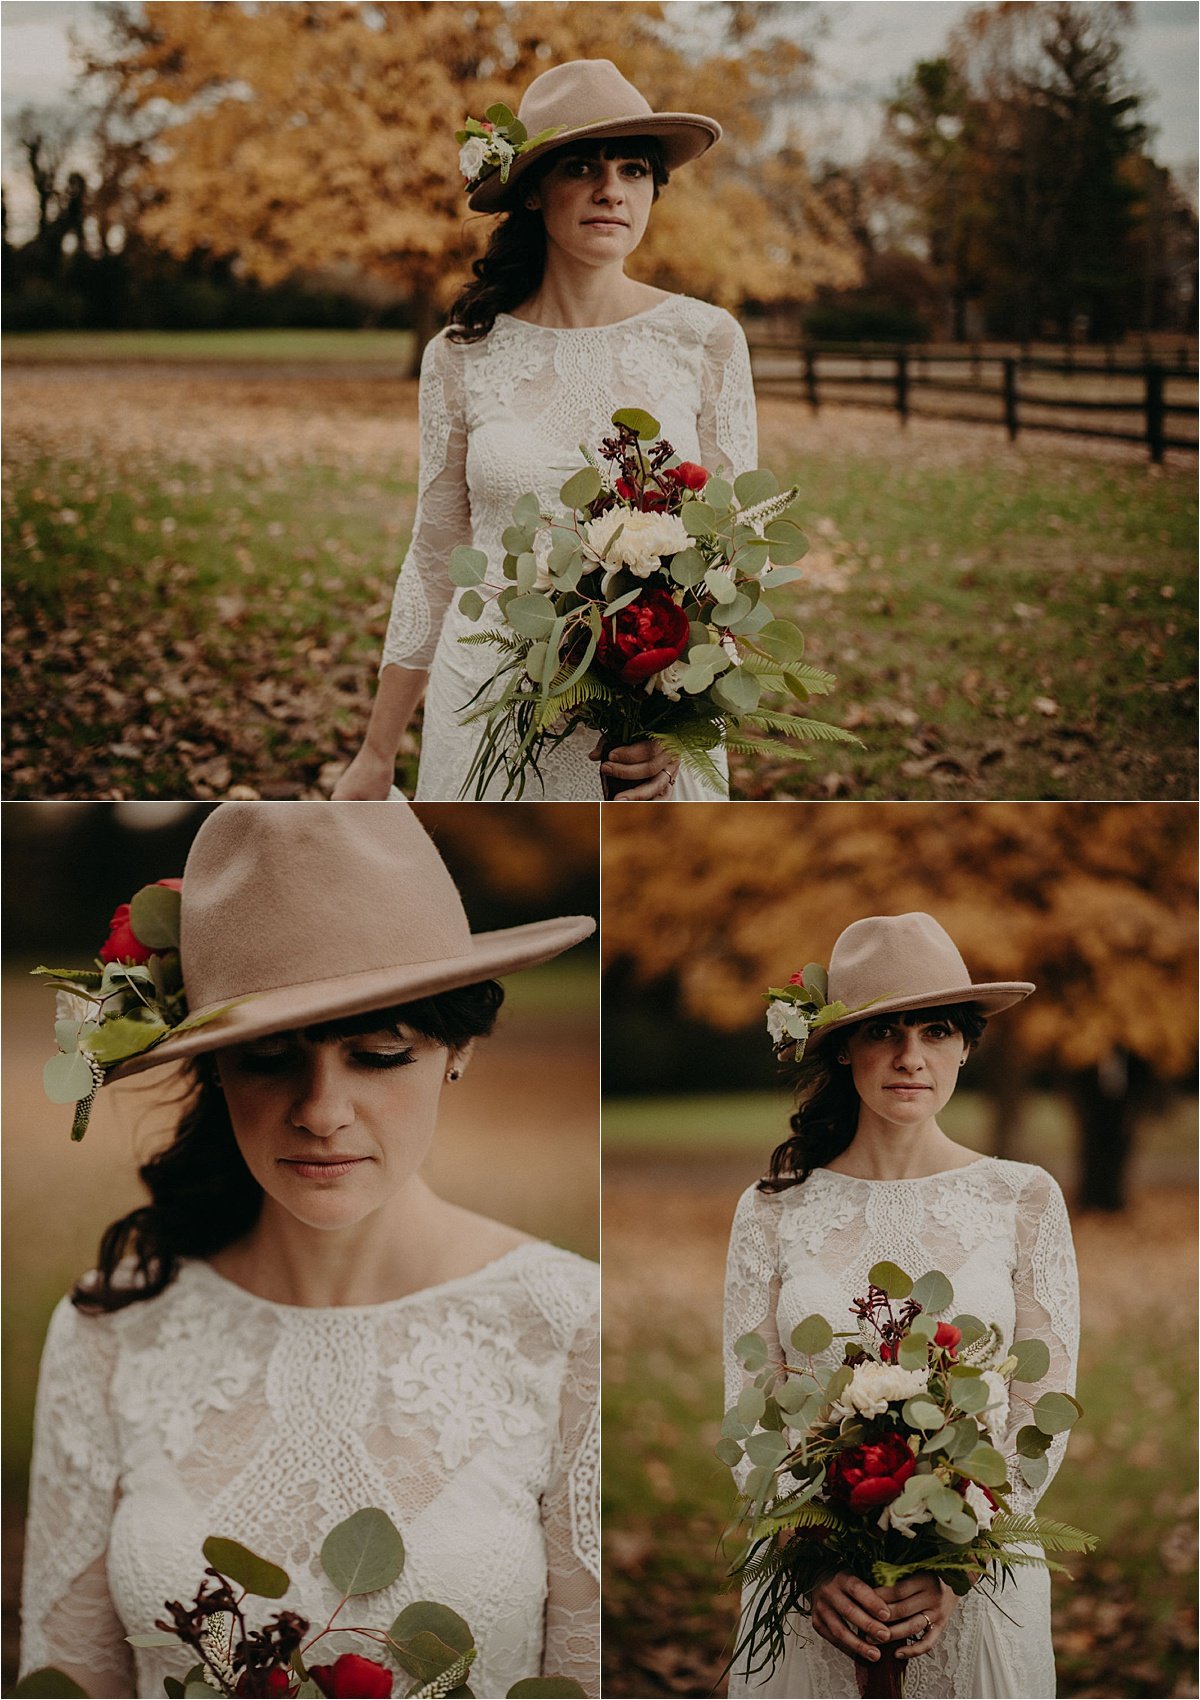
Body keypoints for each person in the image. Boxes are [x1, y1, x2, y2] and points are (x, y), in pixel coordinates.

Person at [19, 802, 600, 1699]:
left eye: (376, 1055)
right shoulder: (112, 1328)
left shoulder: (570, 1324)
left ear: (459, 1050)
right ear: (213, 1065)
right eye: (267, 1059)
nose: (321, 1112)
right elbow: (69, 1679)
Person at [333, 58, 757, 803]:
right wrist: (375, 754)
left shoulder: (706, 338)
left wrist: (680, 724)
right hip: (486, 707)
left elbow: (732, 560)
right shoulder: (461, 356)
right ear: (531, 190)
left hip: (640, 730)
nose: (610, 190)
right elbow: (434, 556)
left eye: (633, 169)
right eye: (581, 167)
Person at [723, 912, 1080, 1699]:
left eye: (937, 1030)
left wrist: (958, 1562)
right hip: (816, 1594)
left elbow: (1039, 1406)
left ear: (965, 1043)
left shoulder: (1022, 1198)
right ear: (844, 1044)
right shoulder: (772, 1210)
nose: (911, 1057)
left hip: (978, 1586)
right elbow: (752, 1411)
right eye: (885, 1030)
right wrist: (813, 1568)